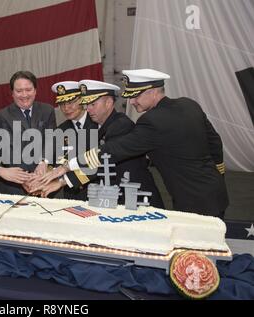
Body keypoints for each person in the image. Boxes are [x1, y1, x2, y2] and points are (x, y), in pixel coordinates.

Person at [39, 69, 228, 218]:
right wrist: (216, 175)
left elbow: (112, 152)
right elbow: (215, 142)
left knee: (193, 262)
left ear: (153, 92)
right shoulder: (189, 104)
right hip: (213, 190)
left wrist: (65, 170)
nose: (132, 101)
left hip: (192, 199)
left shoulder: (151, 121)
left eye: (136, 96)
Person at [31, 79, 164, 208]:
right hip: (108, 199)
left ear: (109, 103)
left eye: (93, 104)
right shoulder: (102, 126)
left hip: (137, 200)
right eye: (87, 104)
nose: (88, 109)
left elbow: (101, 163)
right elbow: (61, 159)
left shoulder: (120, 125)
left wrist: (62, 180)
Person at [0, 71, 57, 195]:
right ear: (12, 93)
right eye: (19, 91)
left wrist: (43, 162)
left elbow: (51, 140)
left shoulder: (47, 110)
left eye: (28, 89)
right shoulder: (1, 116)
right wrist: (27, 178)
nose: (24, 95)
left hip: (44, 181)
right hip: (15, 186)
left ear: (35, 90)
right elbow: (8, 152)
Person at [49, 81, 98, 200]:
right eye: (62, 104)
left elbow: (98, 162)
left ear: (82, 100)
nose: (66, 108)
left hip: (98, 191)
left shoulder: (97, 123)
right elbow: (58, 161)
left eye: (71, 102)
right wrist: (46, 175)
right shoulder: (61, 130)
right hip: (72, 195)